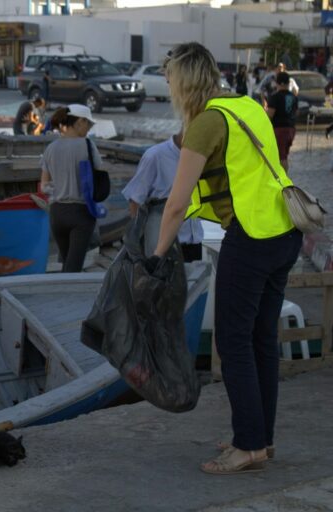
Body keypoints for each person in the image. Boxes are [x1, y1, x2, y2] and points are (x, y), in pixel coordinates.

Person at [153, 42, 301, 475]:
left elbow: (176, 205)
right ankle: (261, 438)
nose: (167, 87)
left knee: (231, 342)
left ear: (183, 82)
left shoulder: (203, 125)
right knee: (260, 339)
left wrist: (158, 255)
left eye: (169, 80)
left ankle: (247, 446)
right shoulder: (247, 107)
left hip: (251, 237)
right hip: (284, 233)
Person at [40, 104, 105, 272]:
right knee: (73, 268)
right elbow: (100, 174)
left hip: (57, 214)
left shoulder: (50, 148)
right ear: (79, 122)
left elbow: (43, 187)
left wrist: (60, 187)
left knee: (67, 263)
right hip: (81, 213)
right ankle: (67, 296)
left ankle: (62, 294)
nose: (89, 129)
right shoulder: (88, 146)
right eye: (88, 124)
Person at [122, 131, 204, 262]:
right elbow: (135, 201)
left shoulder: (200, 156)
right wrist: (140, 242)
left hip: (194, 242)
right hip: (164, 248)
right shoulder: (155, 156)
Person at [266, 71, 298, 171]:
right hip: (291, 129)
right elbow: (297, 112)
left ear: (277, 83)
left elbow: (270, 114)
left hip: (279, 129)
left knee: (281, 157)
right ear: (288, 83)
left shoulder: (275, 97)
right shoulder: (293, 97)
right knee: (284, 155)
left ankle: (284, 181)